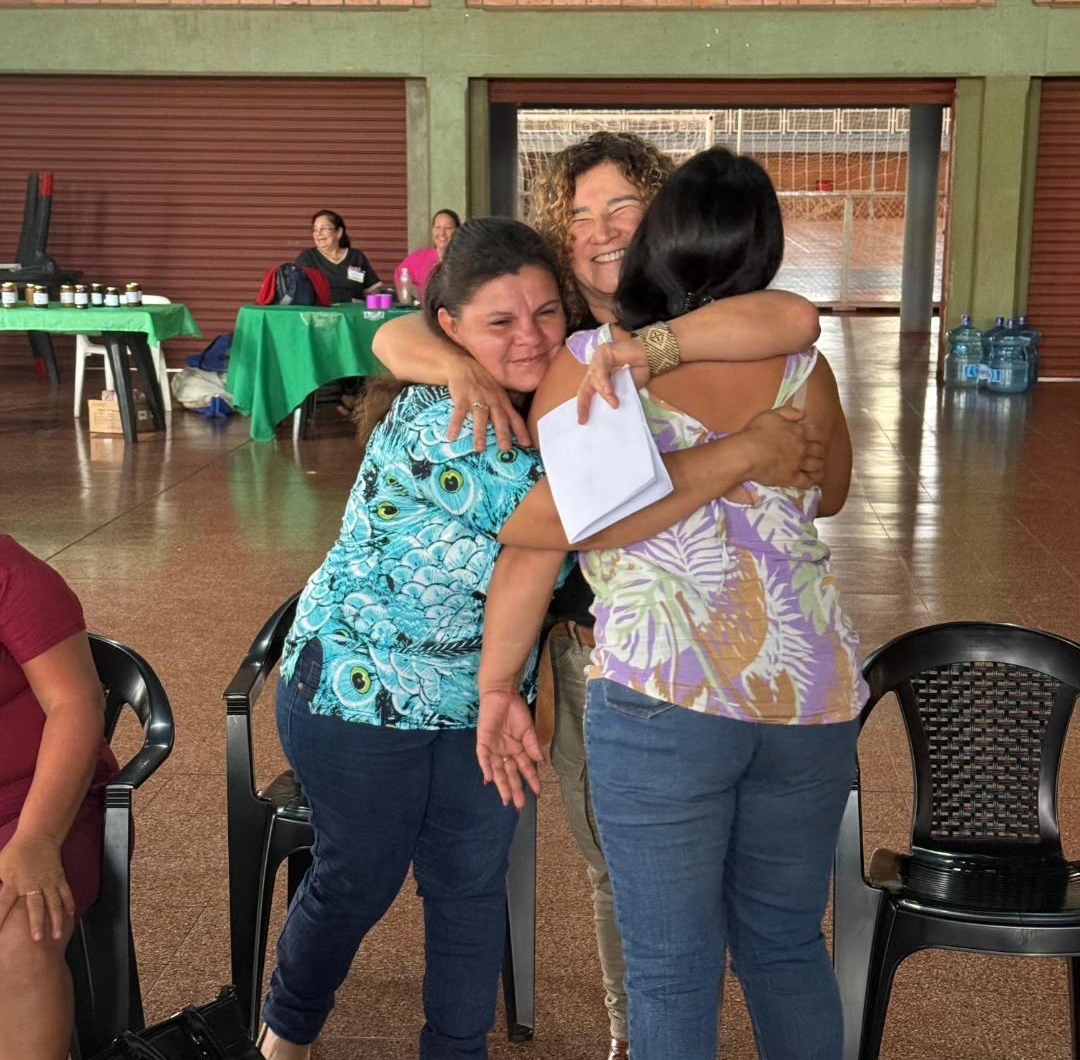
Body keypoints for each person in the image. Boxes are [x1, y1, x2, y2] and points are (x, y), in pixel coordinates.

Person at [256, 216, 825, 1060]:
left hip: (482, 697)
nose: (531, 338)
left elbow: (792, 319)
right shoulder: (444, 422)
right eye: (500, 322)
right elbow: (576, 519)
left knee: (471, 889)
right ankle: (287, 1031)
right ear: (450, 328)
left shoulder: (559, 404)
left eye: (546, 314)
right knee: (355, 882)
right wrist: (744, 451)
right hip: (357, 688)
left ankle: (458, 1049)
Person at [476, 147, 869, 1060]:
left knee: (672, 969)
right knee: (782, 946)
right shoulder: (803, 368)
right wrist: (748, 450)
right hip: (808, 696)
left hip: (666, 695)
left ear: (658, 239)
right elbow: (836, 491)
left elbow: (563, 527)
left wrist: (497, 685)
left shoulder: (592, 366)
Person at [0, 535, 119, 1060]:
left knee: (22, 933)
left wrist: (37, 837)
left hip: (40, 804)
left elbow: (76, 704)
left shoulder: (11, 574)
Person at [295, 209, 382, 304]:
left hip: (354, 313)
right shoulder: (307, 258)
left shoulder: (356, 256)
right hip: (321, 313)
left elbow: (373, 290)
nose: (318, 233)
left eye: (324, 228)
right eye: (315, 229)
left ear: (339, 232)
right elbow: (299, 293)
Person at [394, 209, 461, 298]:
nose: (442, 233)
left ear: (458, 231)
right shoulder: (419, 258)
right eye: (437, 227)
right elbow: (400, 275)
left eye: (448, 228)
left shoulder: (465, 259)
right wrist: (411, 299)